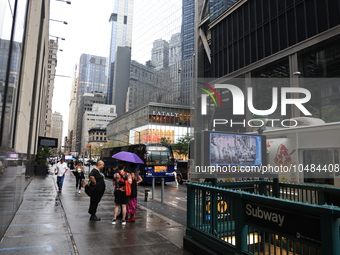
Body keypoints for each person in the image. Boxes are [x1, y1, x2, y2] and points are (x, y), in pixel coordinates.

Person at [112, 160, 132, 225]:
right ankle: (123, 219)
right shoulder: (128, 174)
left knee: (117, 205)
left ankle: (114, 219)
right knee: (124, 206)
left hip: (117, 191)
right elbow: (130, 182)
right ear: (124, 166)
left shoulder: (116, 174)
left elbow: (113, 183)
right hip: (125, 191)